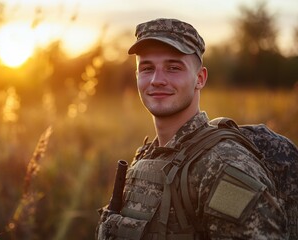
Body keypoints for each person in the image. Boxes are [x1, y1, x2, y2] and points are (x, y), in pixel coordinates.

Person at [96, 18, 289, 239]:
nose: (157, 80)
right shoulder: (151, 153)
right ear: (138, 76)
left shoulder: (222, 165)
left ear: (200, 78)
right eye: (147, 68)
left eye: (173, 68)